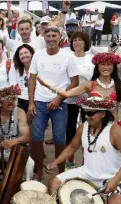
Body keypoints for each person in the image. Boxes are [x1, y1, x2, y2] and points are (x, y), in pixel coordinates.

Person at [47, 96, 121, 204]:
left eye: (90, 113)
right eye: (84, 113)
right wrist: (55, 162)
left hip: (109, 178)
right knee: (53, 183)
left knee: (118, 201)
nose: (87, 116)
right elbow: (71, 147)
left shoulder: (115, 131)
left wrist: (115, 180)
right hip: (86, 173)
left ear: (103, 113)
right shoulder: (83, 127)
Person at [36, 52, 121, 121]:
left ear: (114, 67)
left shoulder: (119, 85)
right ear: (97, 67)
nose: (106, 67)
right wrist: (47, 85)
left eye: (109, 65)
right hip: (92, 122)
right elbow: (67, 94)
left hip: (113, 123)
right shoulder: (89, 85)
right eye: (102, 64)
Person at [28, 26, 79, 180]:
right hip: (40, 102)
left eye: (54, 36)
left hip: (60, 104)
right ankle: (39, 170)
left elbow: (75, 81)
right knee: (36, 138)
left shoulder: (68, 57)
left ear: (60, 38)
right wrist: (31, 103)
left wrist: (59, 98)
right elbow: (32, 79)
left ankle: (61, 172)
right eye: (48, 36)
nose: (51, 39)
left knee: (59, 139)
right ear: (43, 37)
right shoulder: (37, 55)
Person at [64, 31, 95, 171]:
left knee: (87, 130)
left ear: (85, 43)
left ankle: (86, 161)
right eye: (74, 40)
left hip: (88, 101)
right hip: (70, 100)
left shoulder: (92, 59)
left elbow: (96, 78)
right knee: (69, 130)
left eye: (80, 40)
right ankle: (70, 161)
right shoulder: (68, 58)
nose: (77, 42)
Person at [9, 44, 35, 113]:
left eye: (26, 53)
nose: (24, 55)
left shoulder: (37, 67)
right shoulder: (16, 69)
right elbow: (13, 86)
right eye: (21, 54)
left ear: (31, 54)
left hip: (35, 101)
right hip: (20, 101)